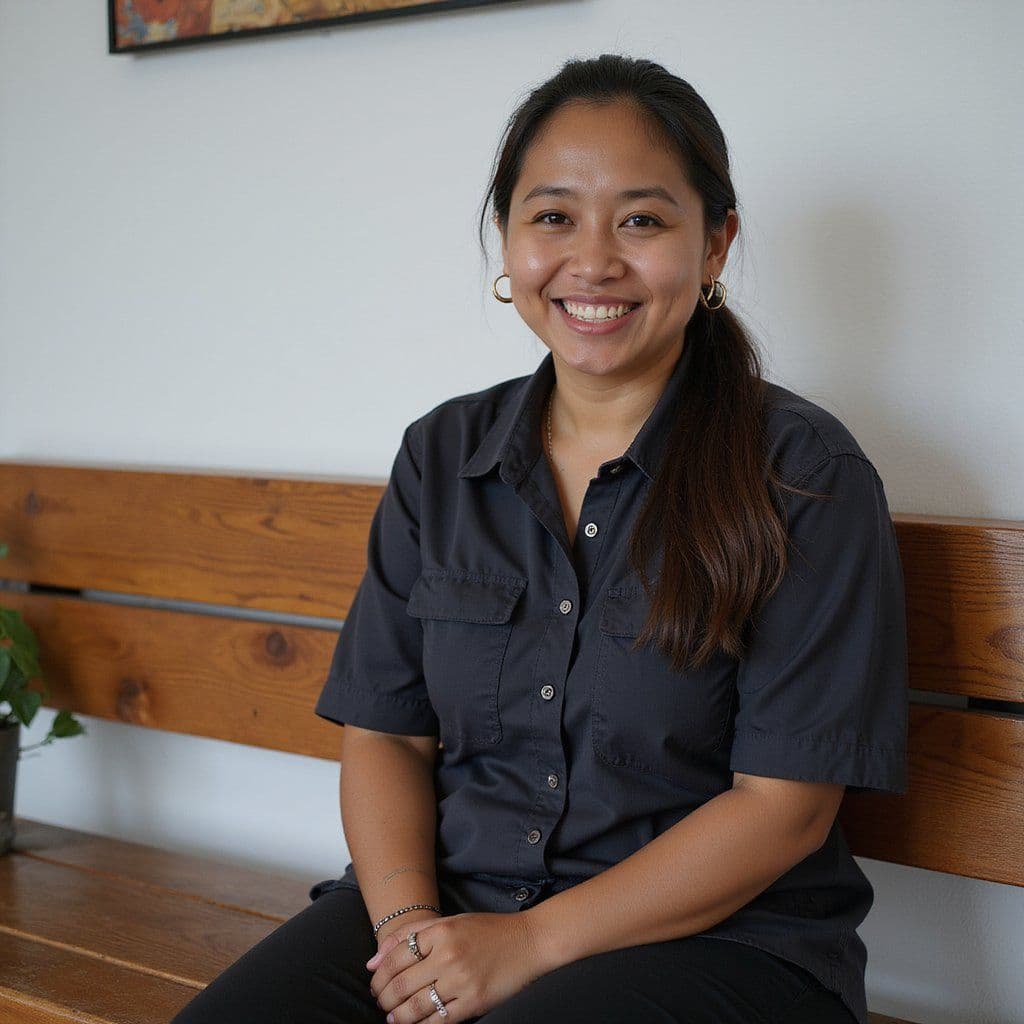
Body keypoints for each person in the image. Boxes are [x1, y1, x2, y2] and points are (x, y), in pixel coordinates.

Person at [171, 53, 907, 1024]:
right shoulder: (443, 455)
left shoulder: (803, 474)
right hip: (447, 902)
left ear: (716, 242)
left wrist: (529, 942)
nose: (592, 261)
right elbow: (385, 732)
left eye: (641, 219)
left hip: (722, 943)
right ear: (508, 240)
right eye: (552, 216)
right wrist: (406, 927)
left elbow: (784, 808)